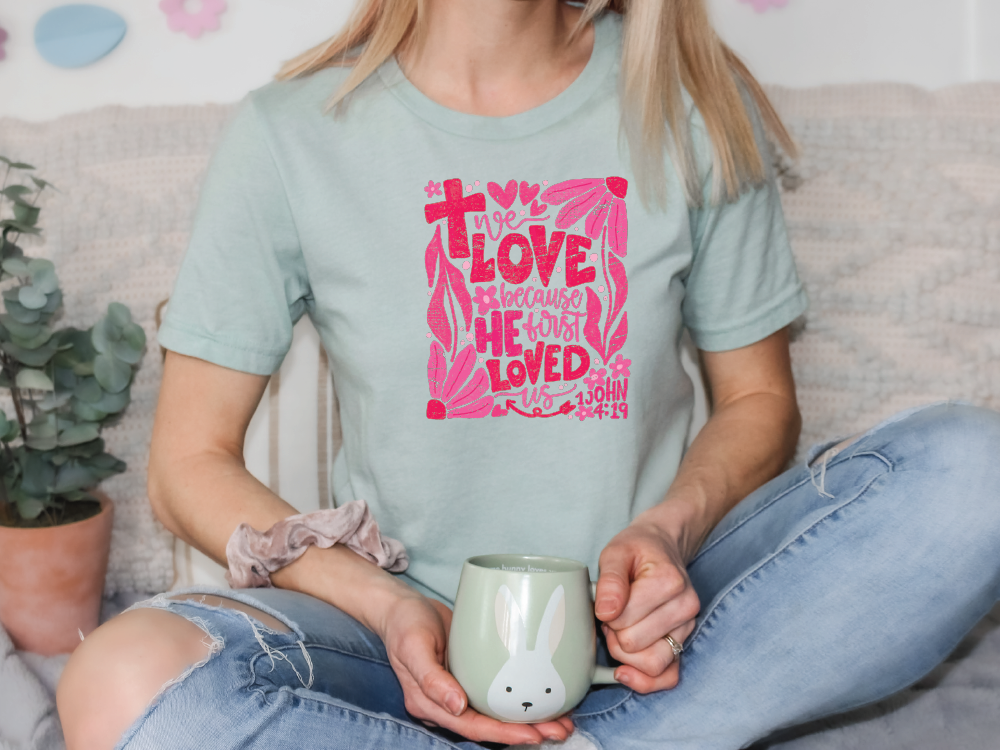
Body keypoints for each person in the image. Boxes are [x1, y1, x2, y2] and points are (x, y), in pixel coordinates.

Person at [56, 0, 1000, 747]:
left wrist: (667, 534)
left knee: (977, 468)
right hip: (403, 646)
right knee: (117, 683)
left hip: (668, 640)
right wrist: (386, 608)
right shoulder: (288, 135)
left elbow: (756, 402)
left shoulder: (691, 100)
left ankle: (628, 734)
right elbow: (188, 468)